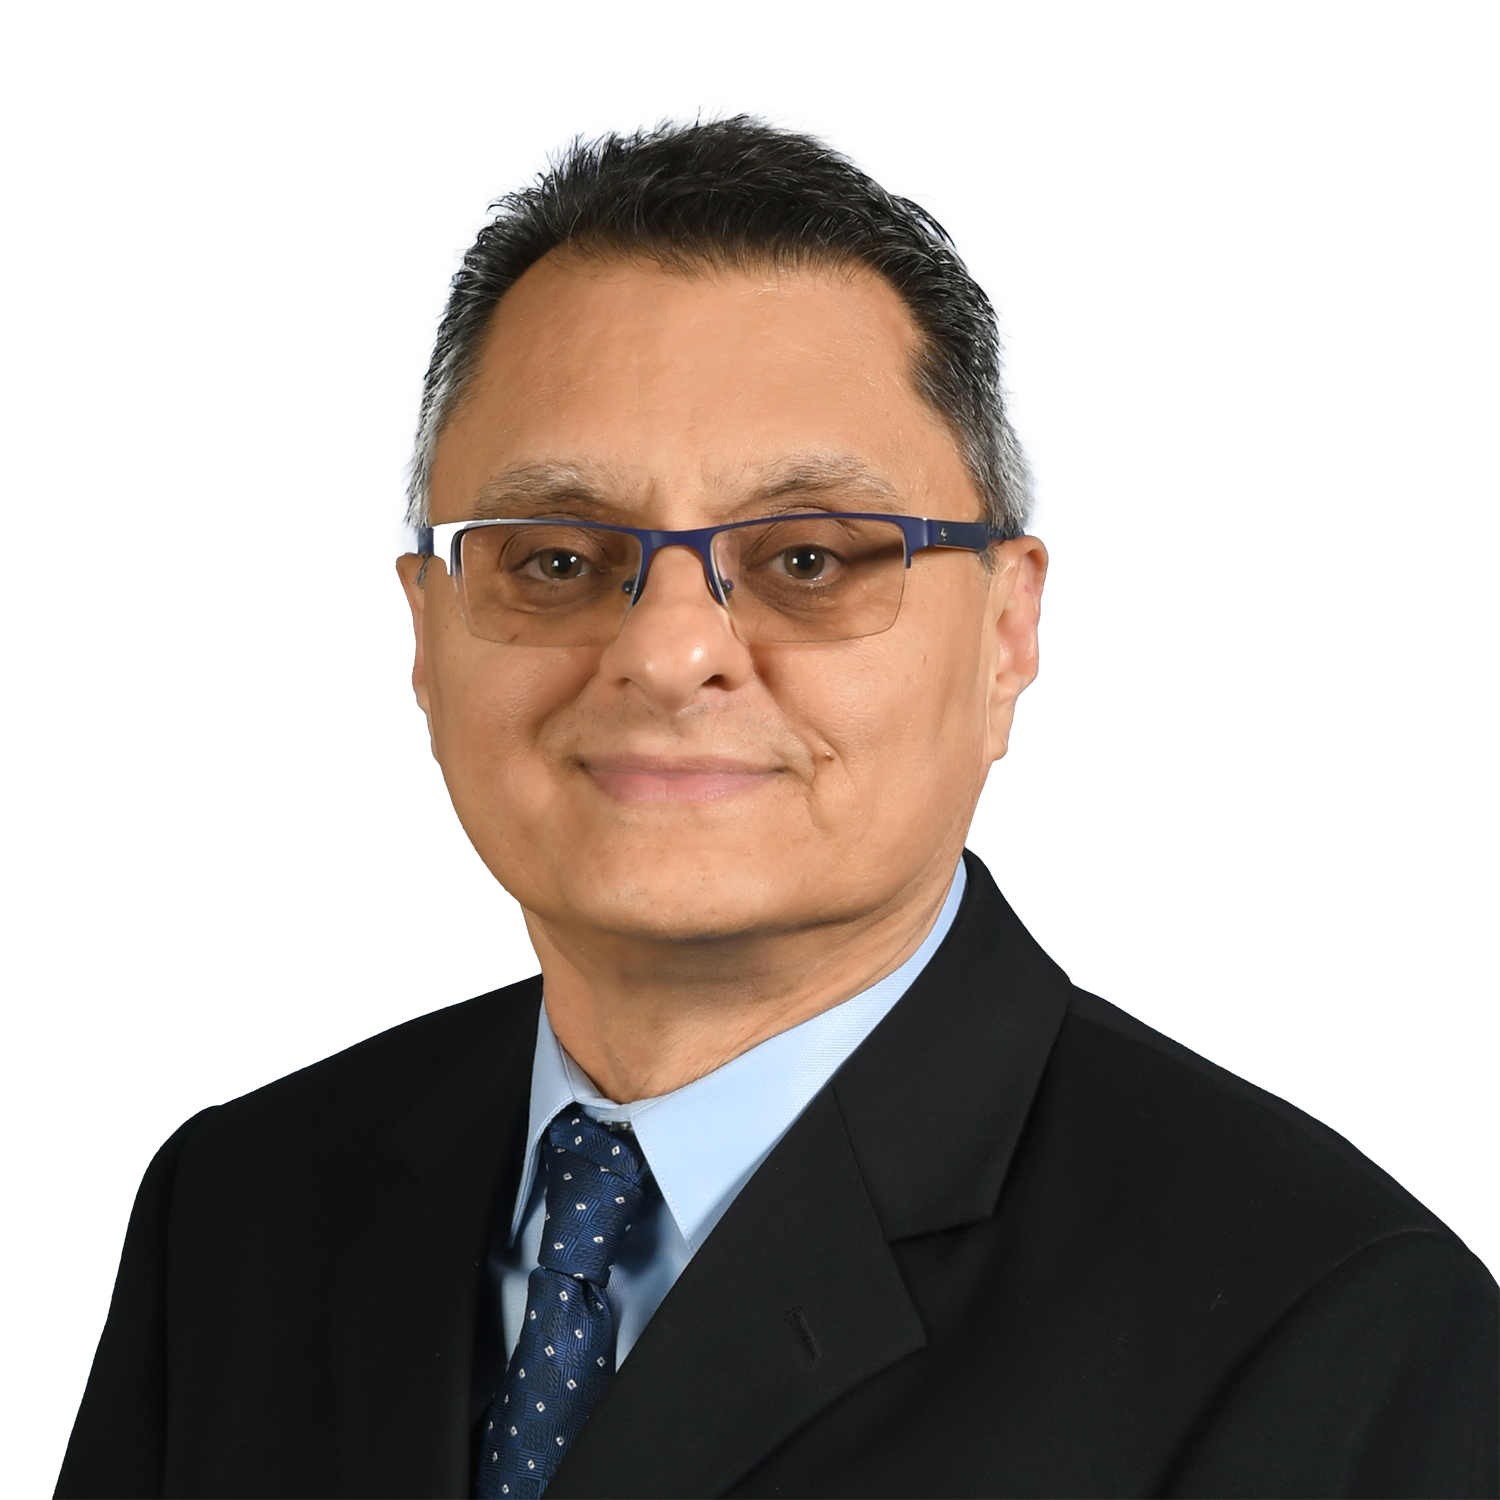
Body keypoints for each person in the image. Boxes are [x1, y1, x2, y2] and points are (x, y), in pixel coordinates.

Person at [56, 111, 1499, 1500]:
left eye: (808, 559)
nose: (670, 651)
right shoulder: (236, 1211)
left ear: (1010, 634)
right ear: (422, 633)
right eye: (555, 560)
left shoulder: (1329, 1329)